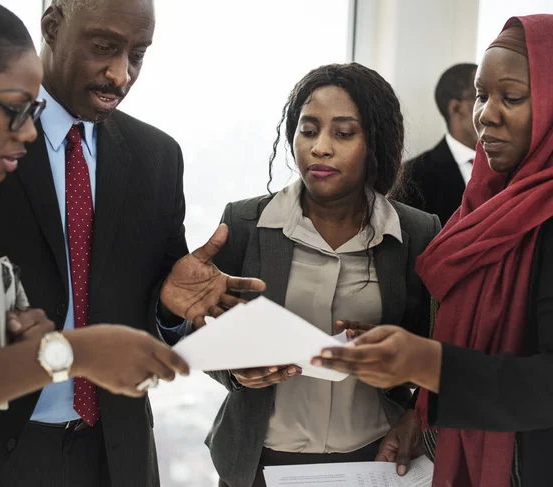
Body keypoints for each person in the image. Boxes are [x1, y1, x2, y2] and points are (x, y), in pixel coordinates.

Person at [0, 0, 264, 486]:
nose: (120, 75)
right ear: (53, 26)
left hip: (116, 454)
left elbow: (150, 310)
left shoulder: (158, 157)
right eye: (104, 48)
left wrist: (167, 308)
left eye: (138, 55)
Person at [313, 15, 553, 487]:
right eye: (482, 95)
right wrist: (418, 412)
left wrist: (428, 361)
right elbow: (467, 335)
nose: (486, 114)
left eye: (513, 97)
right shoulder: (482, 207)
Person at [201, 63, 441, 487]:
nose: (320, 148)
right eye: (308, 130)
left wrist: (408, 392)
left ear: (375, 143)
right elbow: (202, 327)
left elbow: (437, 347)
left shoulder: (417, 232)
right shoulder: (242, 223)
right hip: (260, 461)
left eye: (343, 133)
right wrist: (235, 370)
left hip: (374, 460)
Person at [395, 63, 478, 226]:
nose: (492, 108)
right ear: (456, 108)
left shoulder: (514, 165)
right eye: (482, 97)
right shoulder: (414, 176)